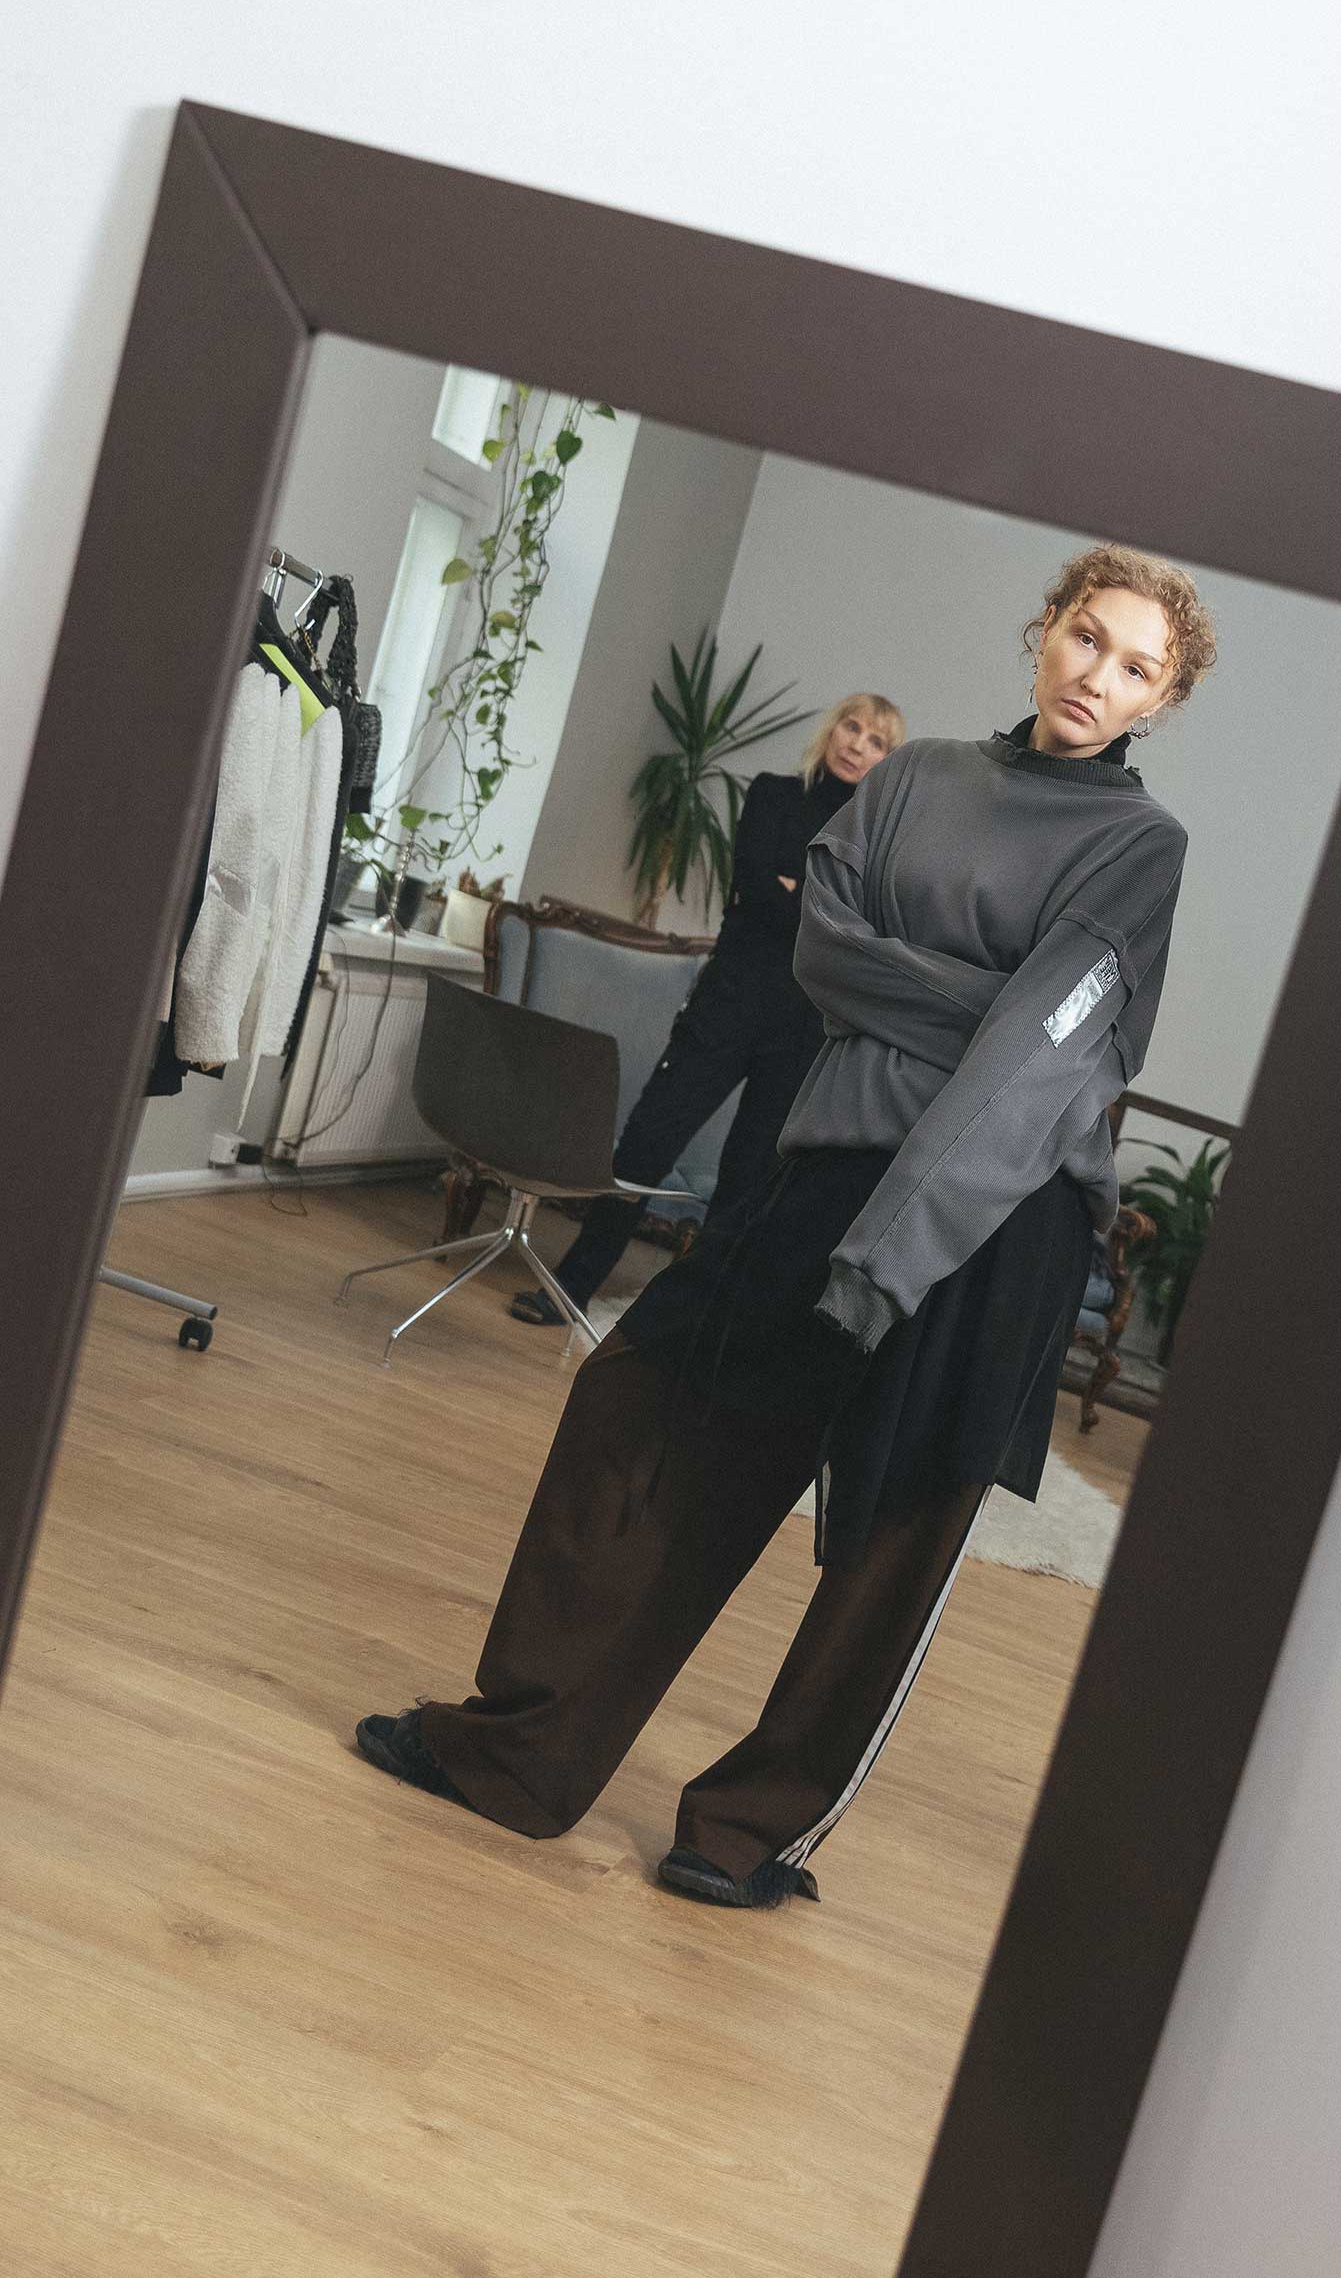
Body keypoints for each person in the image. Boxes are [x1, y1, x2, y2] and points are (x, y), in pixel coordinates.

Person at [357, 544, 1215, 1910]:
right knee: (642, 1413)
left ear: (1159, 701)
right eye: (1084, 636)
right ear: (1043, 627)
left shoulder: (1136, 849)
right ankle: (518, 1752)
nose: (1095, 676)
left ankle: (742, 1833)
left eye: (1135, 668)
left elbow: (1035, 1062)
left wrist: (898, 1233)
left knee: (888, 1544)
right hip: (822, 1179)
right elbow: (822, 952)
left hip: (993, 1226)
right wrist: (983, 999)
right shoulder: (918, 775)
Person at [507, 693, 906, 1328]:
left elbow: (855, 931)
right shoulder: (773, 794)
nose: (857, 745)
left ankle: (691, 1322)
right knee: (646, 1144)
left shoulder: (875, 840)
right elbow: (755, 886)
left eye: (876, 740)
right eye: (851, 727)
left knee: (746, 1180)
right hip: (727, 1005)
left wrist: (794, 890)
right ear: (831, 731)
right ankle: (571, 1287)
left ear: (888, 759)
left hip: (802, 1027)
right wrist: (813, 904)